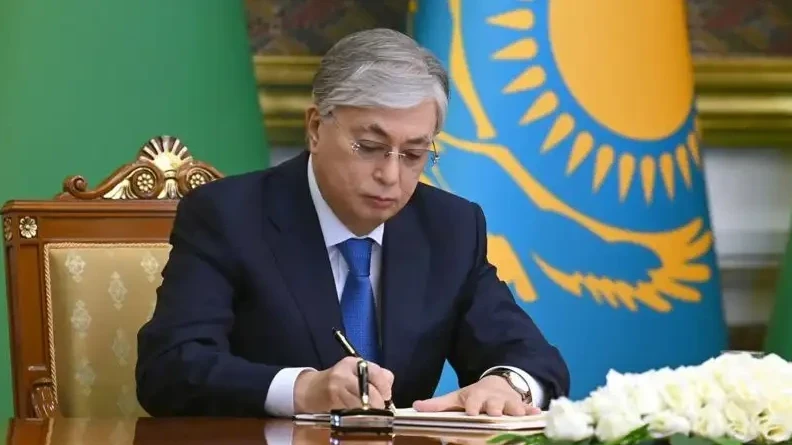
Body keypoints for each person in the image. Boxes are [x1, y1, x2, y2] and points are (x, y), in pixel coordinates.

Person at [135, 28, 569, 418]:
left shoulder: (449, 228)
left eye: (414, 154)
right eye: (369, 146)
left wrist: (506, 384)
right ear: (315, 128)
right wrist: (303, 389)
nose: (391, 175)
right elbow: (169, 368)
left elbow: (533, 358)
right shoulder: (229, 215)